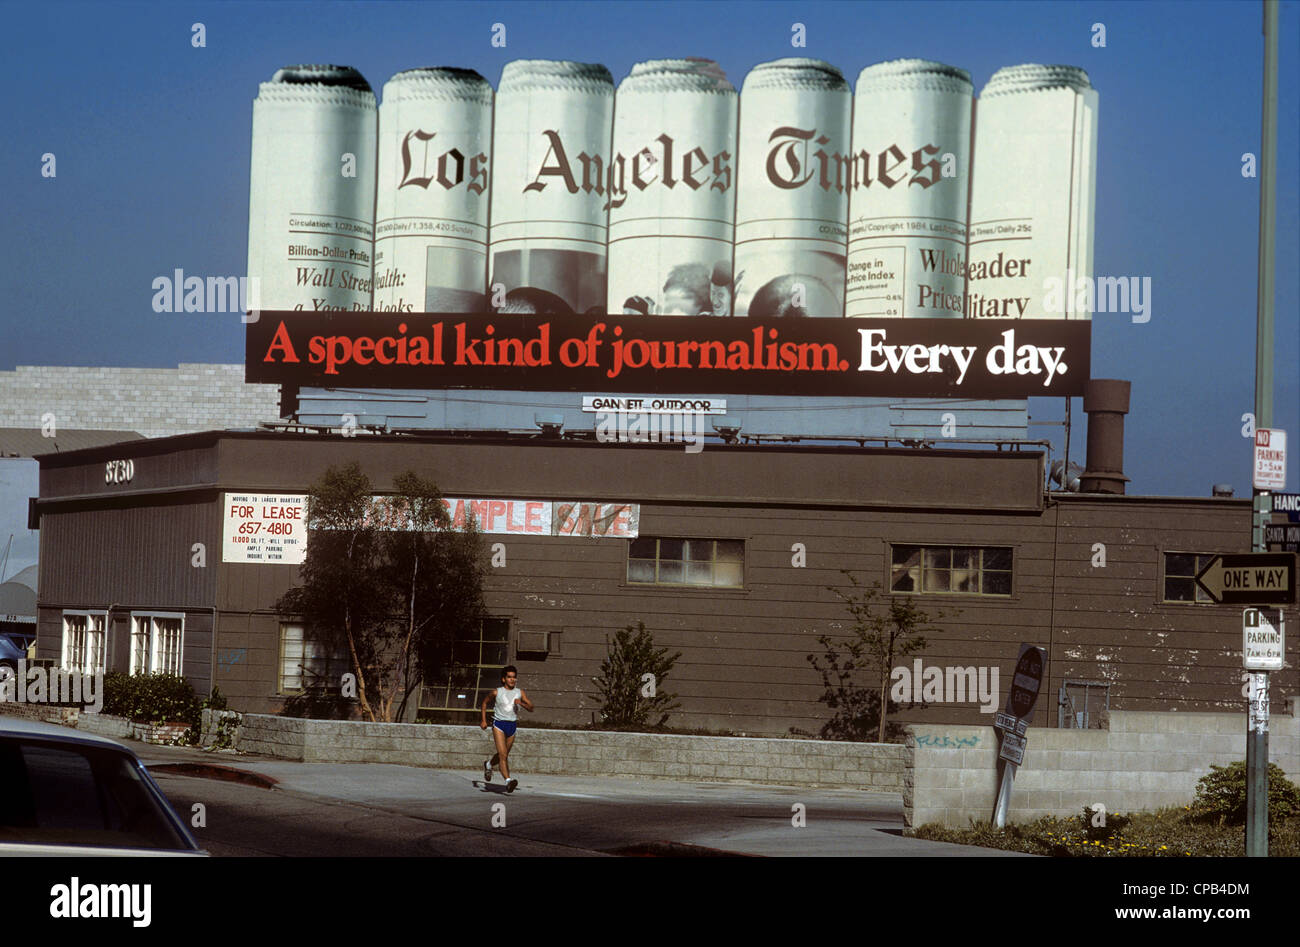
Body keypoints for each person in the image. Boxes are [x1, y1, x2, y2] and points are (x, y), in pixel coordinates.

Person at [480, 666, 534, 792]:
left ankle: (488, 764)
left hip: (512, 726)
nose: (512, 679)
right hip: (499, 724)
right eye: (509, 677)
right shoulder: (496, 692)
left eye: (514, 677)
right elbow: (484, 703)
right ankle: (508, 781)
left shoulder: (520, 693)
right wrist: (483, 720)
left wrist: (521, 703)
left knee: (502, 755)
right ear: (504, 679)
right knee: (503, 756)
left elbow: (531, 708)